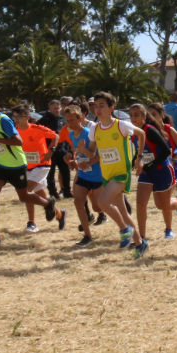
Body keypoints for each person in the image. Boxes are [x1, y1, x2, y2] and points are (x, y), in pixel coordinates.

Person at [0, 94, 61, 246]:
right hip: (0, 164)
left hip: (16, 165)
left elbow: (17, 141)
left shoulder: (4, 120)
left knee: (24, 197)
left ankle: (48, 204)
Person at [84, 91, 148, 257]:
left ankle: (124, 229)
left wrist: (139, 158)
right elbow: (91, 151)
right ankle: (140, 244)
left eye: (102, 106)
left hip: (121, 173)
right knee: (123, 211)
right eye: (96, 106)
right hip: (107, 174)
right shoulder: (94, 128)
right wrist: (81, 154)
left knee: (102, 202)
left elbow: (141, 134)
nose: (98, 109)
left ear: (111, 108)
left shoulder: (121, 125)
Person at [129, 103, 177, 241]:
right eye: (131, 115)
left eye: (137, 115)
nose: (133, 118)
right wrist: (135, 161)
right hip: (147, 172)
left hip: (162, 171)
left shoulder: (150, 130)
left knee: (162, 205)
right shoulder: (134, 133)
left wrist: (148, 165)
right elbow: (141, 151)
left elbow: (166, 151)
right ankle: (142, 237)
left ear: (144, 116)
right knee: (140, 203)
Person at [13, 105, 66, 234]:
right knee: (41, 194)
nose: (15, 119)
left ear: (27, 117)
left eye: (18, 117)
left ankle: (32, 223)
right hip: (27, 166)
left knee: (27, 192)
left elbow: (56, 137)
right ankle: (59, 214)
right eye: (14, 117)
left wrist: (51, 151)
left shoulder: (37, 128)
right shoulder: (15, 131)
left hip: (42, 164)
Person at [62, 103, 103, 246]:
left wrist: (89, 162)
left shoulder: (89, 133)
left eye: (72, 120)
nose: (69, 123)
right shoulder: (72, 134)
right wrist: (72, 160)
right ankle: (87, 235)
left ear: (80, 118)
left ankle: (123, 222)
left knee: (99, 207)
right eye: (67, 121)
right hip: (83, 174)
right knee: (78, 201)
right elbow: (78, 152)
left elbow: (99, 155)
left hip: (97, 175)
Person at [38, 99, 70, 199]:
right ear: (50, 108)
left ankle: (67, 191)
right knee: (50, 173)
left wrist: (67, 149)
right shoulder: (43, 121)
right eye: (54, 108)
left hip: (62, 150)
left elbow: (67, 134)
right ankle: (53, 193)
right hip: (50, 150)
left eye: (58, 107)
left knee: (65, 171)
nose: (57, 110)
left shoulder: (63, 119)